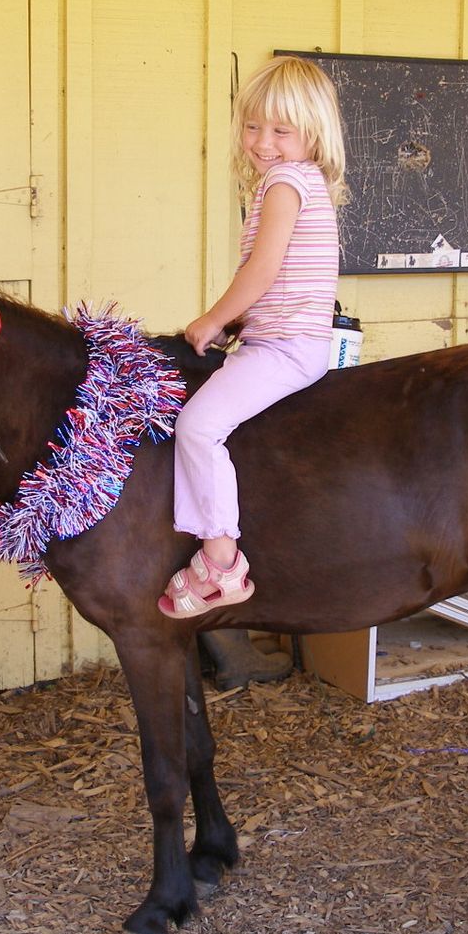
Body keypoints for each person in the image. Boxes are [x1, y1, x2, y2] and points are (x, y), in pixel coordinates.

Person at [158, 55, 348, 619]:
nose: (263, 142)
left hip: (285, 348)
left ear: (314, 133)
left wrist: (213, 321)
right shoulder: (298, 180)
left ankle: (221, 564)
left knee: (197, 425)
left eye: (281, 130)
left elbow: (262, 273)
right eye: (252, 126)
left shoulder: (285, 184)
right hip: (284, 337)